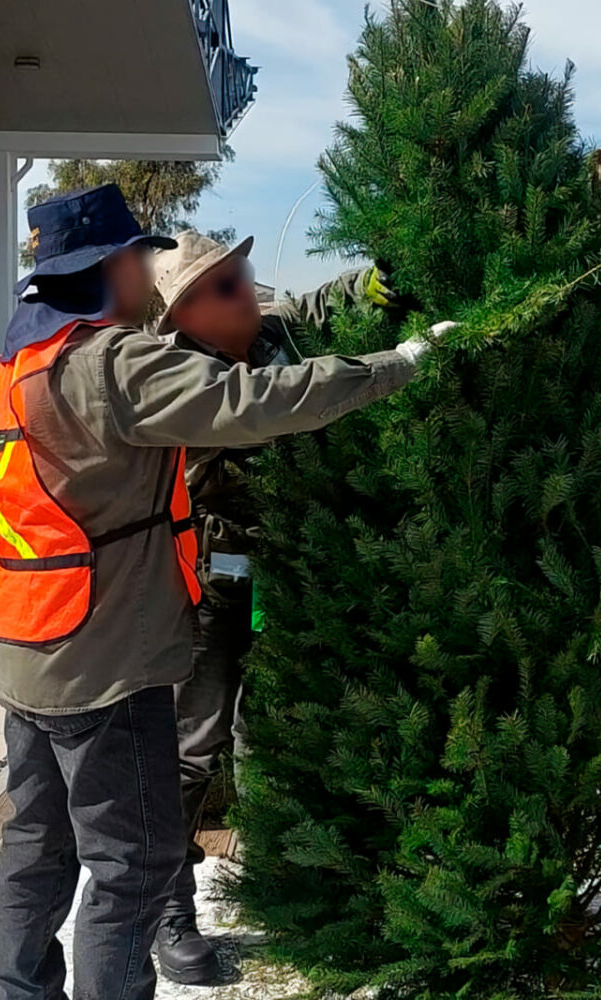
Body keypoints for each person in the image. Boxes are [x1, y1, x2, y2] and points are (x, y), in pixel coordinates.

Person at [0, 183, 450, 1000]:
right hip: (104, 659)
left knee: (37, 848)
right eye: (134, 256)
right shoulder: (115, 362)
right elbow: (251, 401)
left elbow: (283, 321)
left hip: (25, 649)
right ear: (109, 267)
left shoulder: (17, 363)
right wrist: (395, 366)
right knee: (133, 867)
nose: (140, 267)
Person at [151, 229, 401, 985]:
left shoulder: (271, 330)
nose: (249, 291)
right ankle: (166, 905)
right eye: (228, 285)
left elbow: (317, 305)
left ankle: (288, 880)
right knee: (194, 747)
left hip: (289, 572)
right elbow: (261, 410)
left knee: (277, 728)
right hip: (212, 585)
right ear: (189, 311)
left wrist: (376, 282)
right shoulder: (177, 376)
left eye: (244, 275)